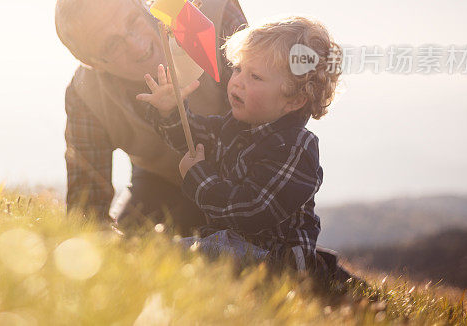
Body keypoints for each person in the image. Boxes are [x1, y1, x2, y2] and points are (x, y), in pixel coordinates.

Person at [136, 16, 343, 274]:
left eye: (255, 76)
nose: (237, 81)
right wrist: (170, 112)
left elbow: (253, 211)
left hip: (275, 259)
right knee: (178, 251)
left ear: (294, 99)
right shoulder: (233, 127)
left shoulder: (296, 147)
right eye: (237, 68)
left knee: (171, 254)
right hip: (232, 243)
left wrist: (198, 179)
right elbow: (192, 136)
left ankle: (319, 273)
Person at [54, 0, 247, 234]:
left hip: (246, 176)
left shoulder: (215, 16)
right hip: (160, 183)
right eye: (112, 45)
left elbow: (274, 118)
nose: (137, 45)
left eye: (134, 21)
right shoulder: (86, 93)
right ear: (93, 63)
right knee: (130, 245)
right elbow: (87, 206)